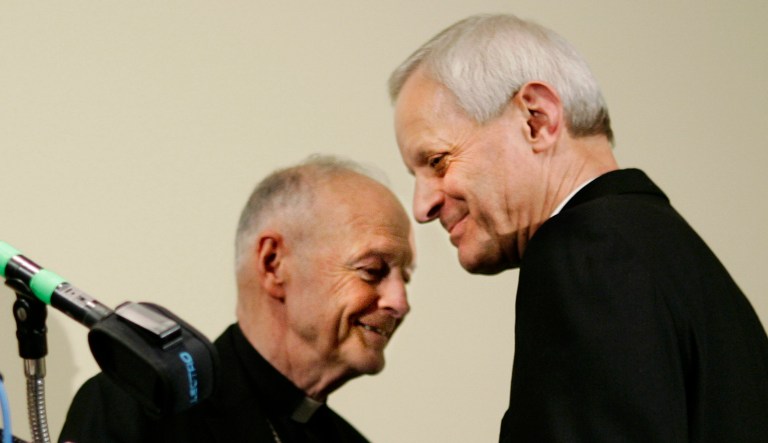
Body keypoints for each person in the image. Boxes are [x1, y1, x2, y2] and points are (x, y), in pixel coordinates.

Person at [389, 13, 768, 442]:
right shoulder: (672, 256)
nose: (422, 206)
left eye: (438, 161)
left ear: (536, 119)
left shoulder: (585, 254)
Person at [58, 155, 415, 442]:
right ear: (273, 264)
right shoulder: (140, 407)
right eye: (373, 270)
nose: (400, 303)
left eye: (406, 278)